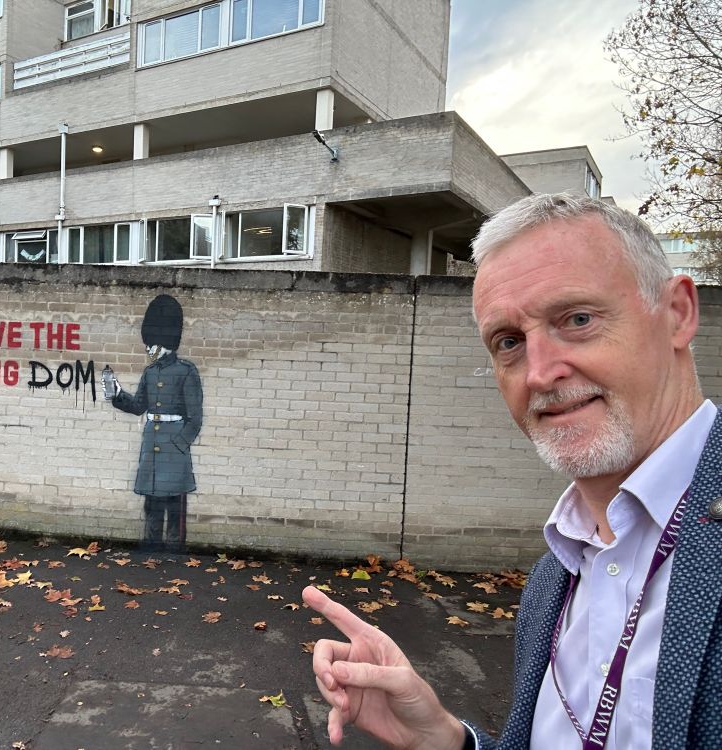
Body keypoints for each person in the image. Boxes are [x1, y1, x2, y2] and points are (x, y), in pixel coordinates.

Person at [305, 193, 721, 749]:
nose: (540, 373)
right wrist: (445, 740)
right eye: (509, 342)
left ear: (677, 314)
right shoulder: (554, 579)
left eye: (577, 319)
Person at [111, 294, 203, 553]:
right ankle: (151, 547)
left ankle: (175, 551)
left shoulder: (187, 371)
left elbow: (195, 418)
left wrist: (179, 444)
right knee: (152, 502)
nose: (147, 349)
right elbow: (139, 405)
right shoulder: (150, 373)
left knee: (175, 504)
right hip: (152, 443)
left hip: (173, 446)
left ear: (162, 344)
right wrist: (117, 395)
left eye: (150, 344)